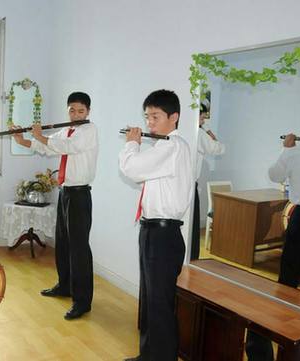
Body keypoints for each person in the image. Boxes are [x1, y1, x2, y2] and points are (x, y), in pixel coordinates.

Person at [246, 105, 300, 361]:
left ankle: (283, 320)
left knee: (289, 270)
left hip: (299, 214)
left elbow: (274, 174)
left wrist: (287, 149)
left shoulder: (295, 152)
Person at [119, 89, 193, 361]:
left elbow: (131, 168)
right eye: (147, 117)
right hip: (152, 230)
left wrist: (132, 144)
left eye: (155, 116)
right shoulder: (164, 148)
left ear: (174, 117)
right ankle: (148, 355)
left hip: (163, 234)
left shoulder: (172, 146)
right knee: (150, 300)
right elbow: (142, 179)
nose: (149, 123)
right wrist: (140, 150)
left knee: (160, 304)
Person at [12, 92, 98, 320]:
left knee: (79, 248)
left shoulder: (89, 131)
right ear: (67, 110)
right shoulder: (66, 131)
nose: (76, 114)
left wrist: (41, 136)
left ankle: (82, 301)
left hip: (80, 195)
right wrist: (24, 140)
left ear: (88, 111)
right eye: (72, 110)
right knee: (63, 243)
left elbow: (67, 147)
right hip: (65, 192)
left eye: (80, 110)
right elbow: (51, 148)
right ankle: (65, 286)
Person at [191, 103, 225, 260]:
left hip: (180, 186)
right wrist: (213, 137)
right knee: (192, 226)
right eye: (202, 117)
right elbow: (219, 149)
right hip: (190, 187)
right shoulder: (199, 133)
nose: (203, 121)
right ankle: (192, 259)